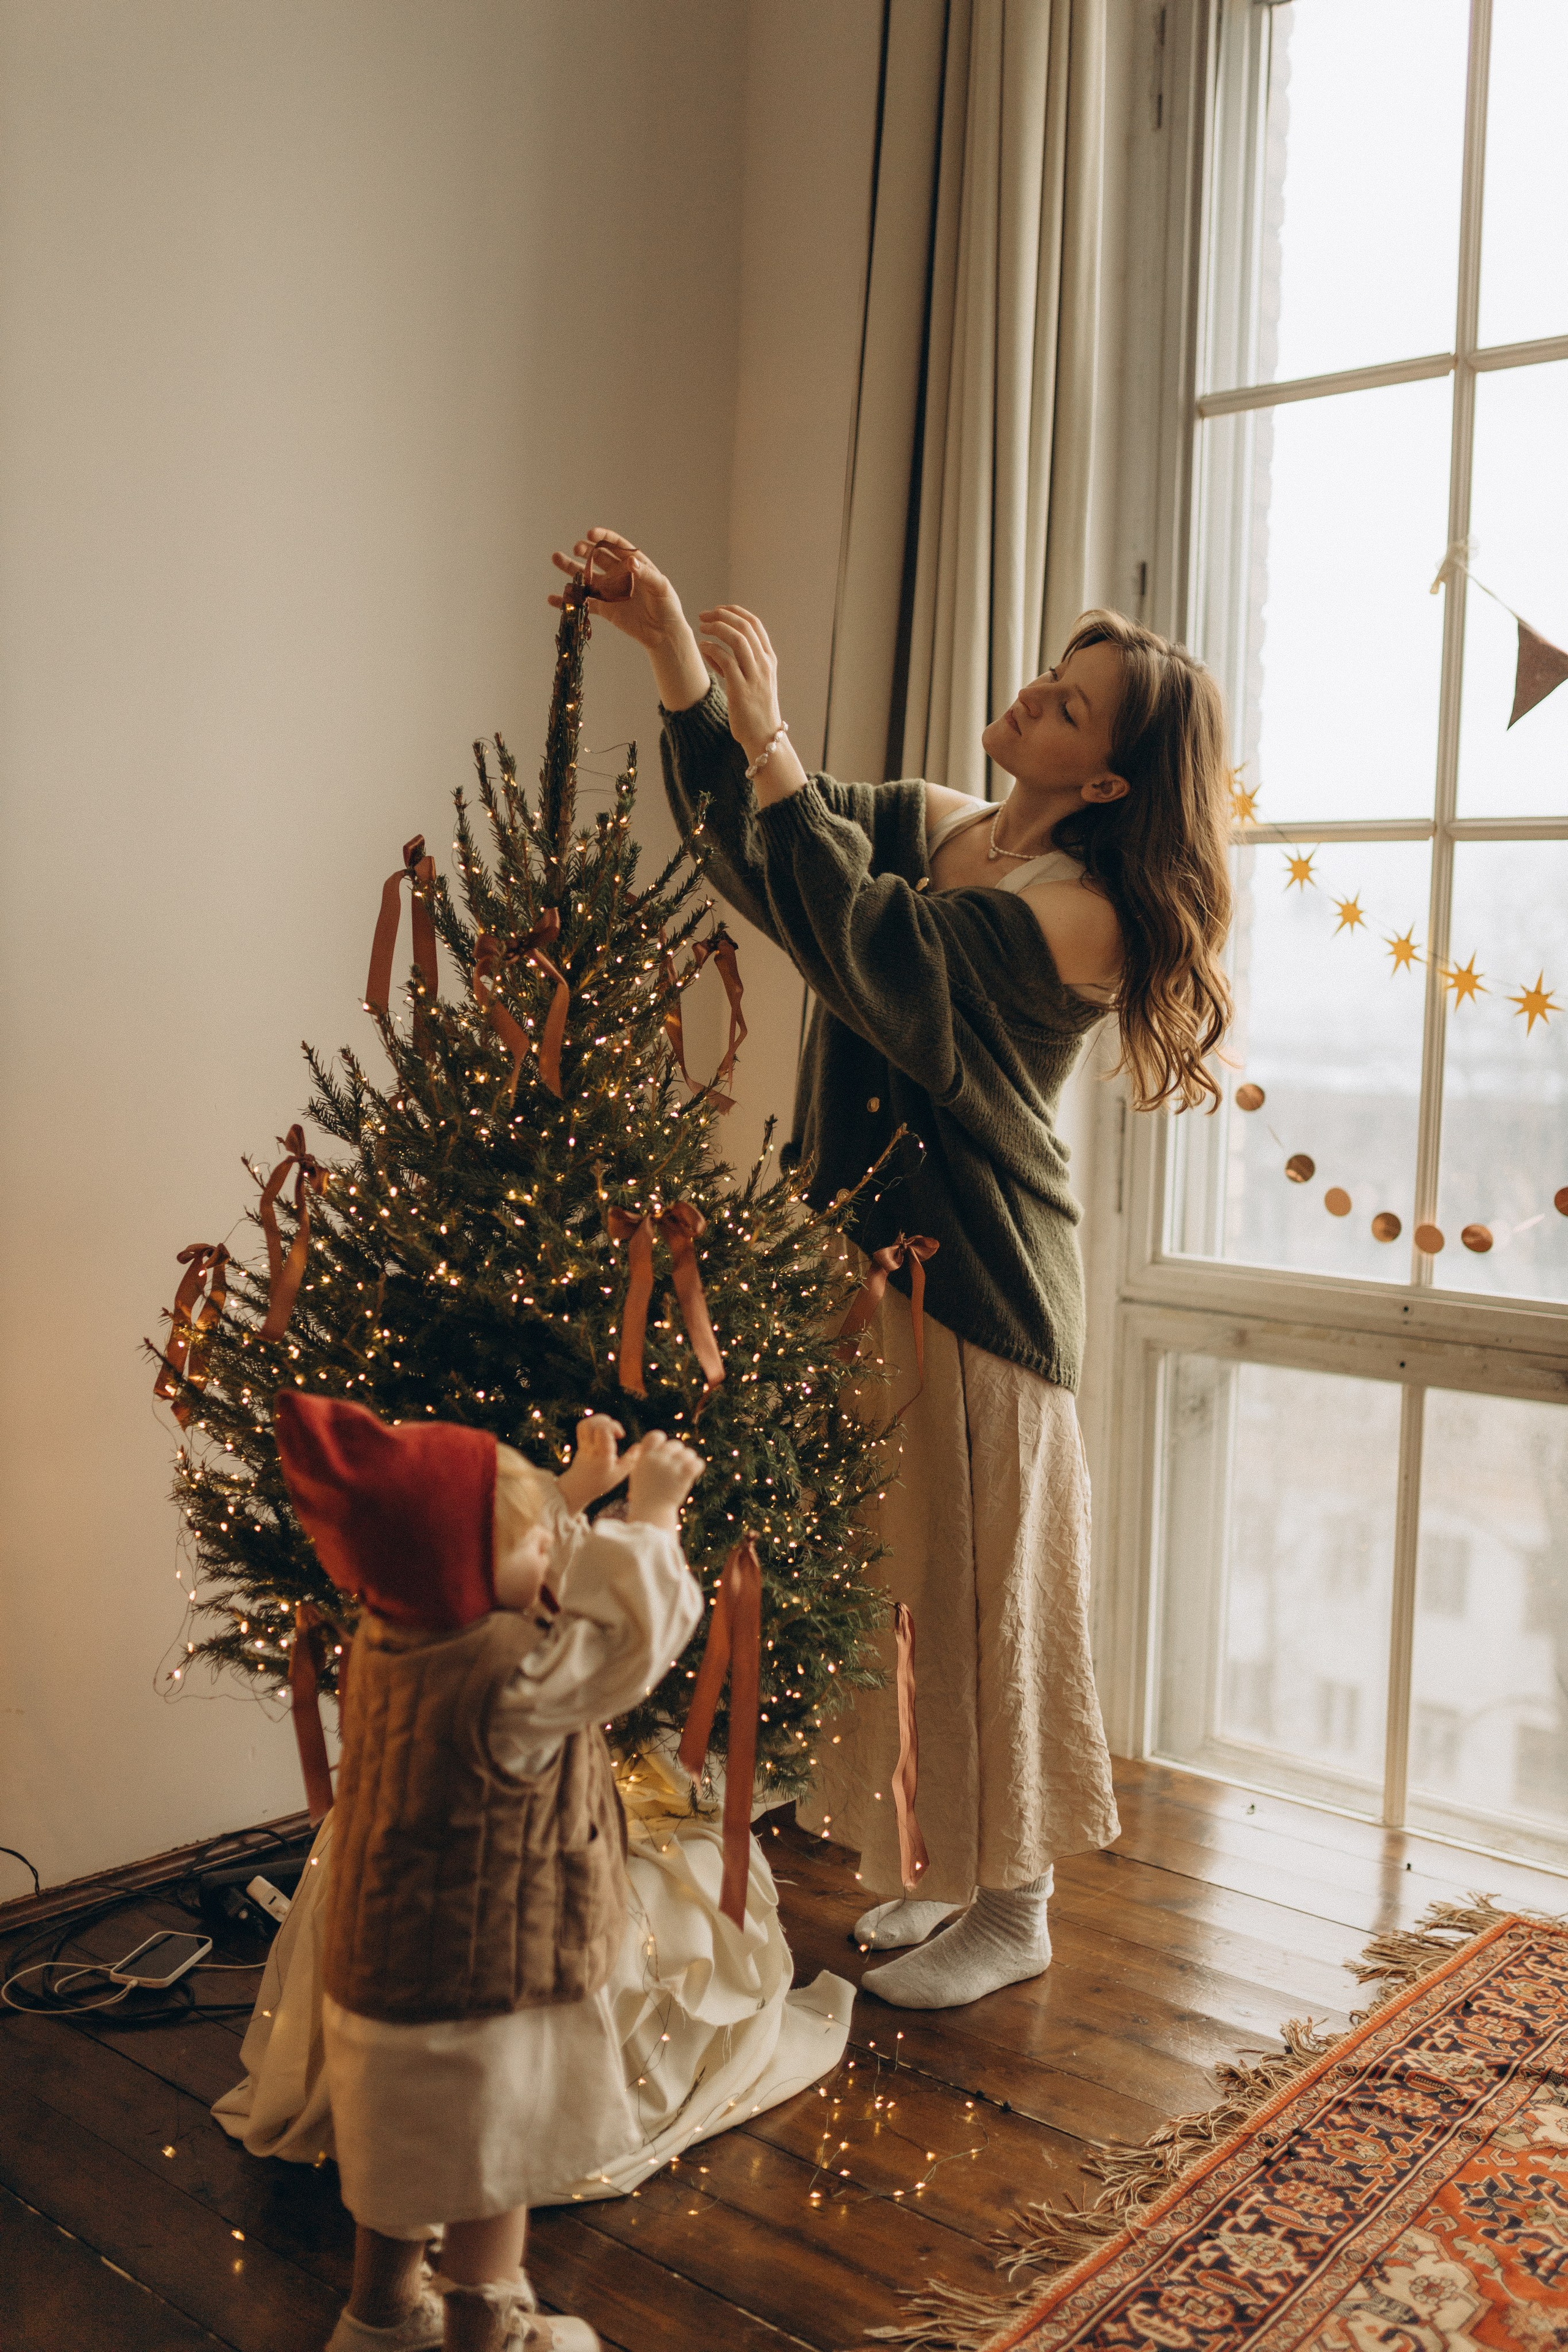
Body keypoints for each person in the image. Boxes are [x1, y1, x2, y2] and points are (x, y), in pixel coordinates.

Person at [550, 526, 1232, 2013]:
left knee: (985, 1592)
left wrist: (777, 735)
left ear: (1107, 781)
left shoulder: (1078, 914)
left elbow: (874, 952)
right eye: (1050, 675)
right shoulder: (946, 823)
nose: (1033, 697)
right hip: (863, 1265)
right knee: (897, 1587)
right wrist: (674, 657)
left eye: (1069, 704)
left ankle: (1021, 1899)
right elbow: (762, 854)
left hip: (982, 1289)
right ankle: (935, 1861)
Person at [272, 1391, 704, 2352]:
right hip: (481, 1995)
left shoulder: (389, 1633)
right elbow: (628, 1642)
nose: (554, 1553)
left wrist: (573, 1493)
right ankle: (490, 2330)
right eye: (539, 1540)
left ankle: (379, 2317)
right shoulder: (511, 1678)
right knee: (489, 2174)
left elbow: (487, 1554)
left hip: (385, 1974)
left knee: (403, 2162)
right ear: (467, 1570)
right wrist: (652, 1519)